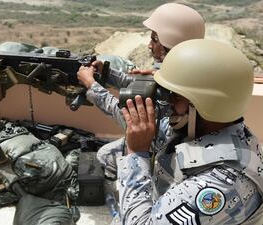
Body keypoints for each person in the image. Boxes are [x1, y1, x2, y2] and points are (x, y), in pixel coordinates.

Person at [118, 39, 263, 224]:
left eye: (175, 96)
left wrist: (136, 154)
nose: (169, 102)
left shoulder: (221, 185)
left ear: (203, 105)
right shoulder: (210, 131)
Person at [77, 3, 205, 179]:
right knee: (105, 154)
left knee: (106, 158)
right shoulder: (187, 69)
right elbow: (142, 84)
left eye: (154, 39)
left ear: (169, 44)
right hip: (166, 144)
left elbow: (131, 120)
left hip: (168, 155)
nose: (149, 45)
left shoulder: (178, 91)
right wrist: (106, 73)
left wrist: (92, 85)